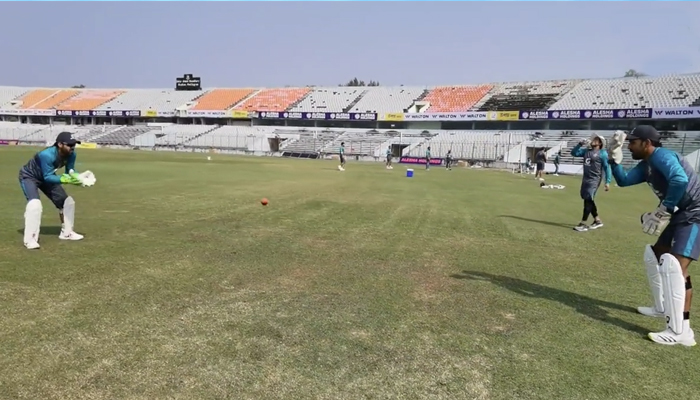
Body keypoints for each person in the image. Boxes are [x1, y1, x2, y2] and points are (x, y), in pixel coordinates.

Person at [611, 125, 699, 347]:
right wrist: (613, 158)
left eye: (633, 142)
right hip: (681, 213)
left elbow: (680, 180)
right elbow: (623, 180)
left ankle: (682, 331)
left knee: (676, 268)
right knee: (656, 253)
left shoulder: (663, 156)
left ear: (647, 143)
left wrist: (664, 208)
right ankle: (661, 307)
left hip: (696, 212)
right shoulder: (647, 165)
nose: (629, 145)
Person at [18, 131, 85, 249]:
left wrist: (79, 179)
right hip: (30, 176)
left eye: (74, 145)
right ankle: (30, 239)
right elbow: (48, 177)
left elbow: (70, 170)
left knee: (67, 202)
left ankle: (67, 233)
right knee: (35, 205)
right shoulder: (47, 155)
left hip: (47, 177)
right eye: (69, 145)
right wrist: (65, 179)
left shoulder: (71, 155)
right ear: (60, 144)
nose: (72, 147)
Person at [570, 134, 611, 231]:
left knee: (588, 198)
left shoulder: (603, 153)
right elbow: (574, 153)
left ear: (600, 143)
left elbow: (607, 168)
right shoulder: (586, 151)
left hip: (594, 179)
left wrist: (607, 181)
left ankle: (583, 223)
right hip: (586, 179)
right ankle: (597, 220)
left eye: (596, 140)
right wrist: (580, 144)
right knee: (588, 199)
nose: (593, 141)